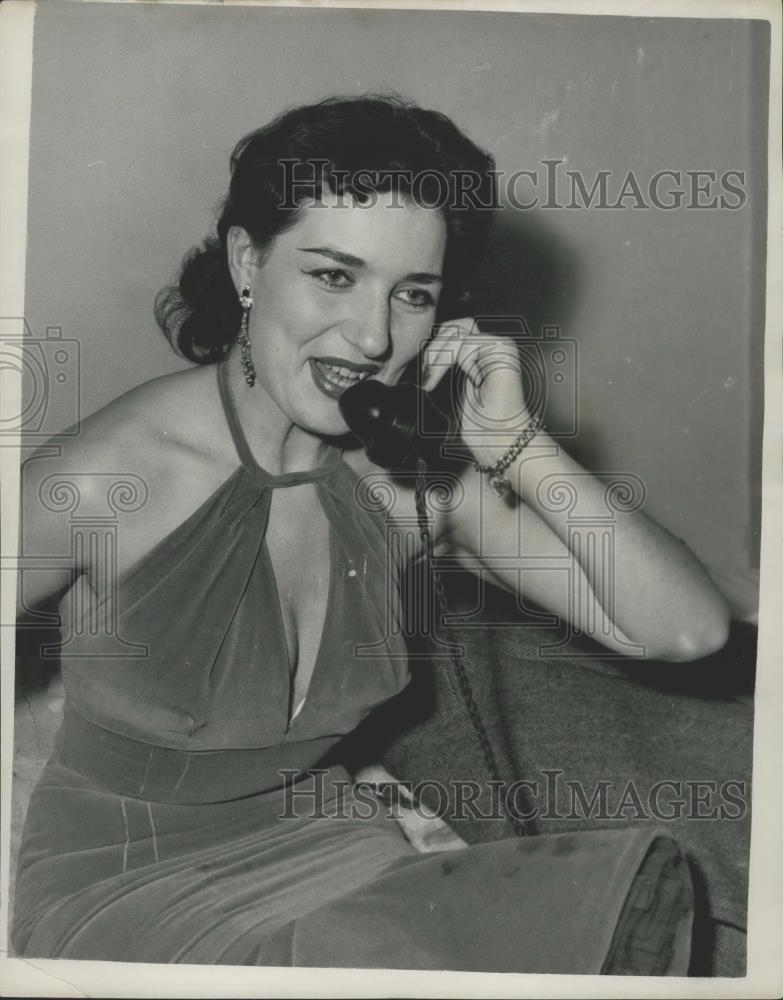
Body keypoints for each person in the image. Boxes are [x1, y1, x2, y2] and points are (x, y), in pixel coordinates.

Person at [12, 95, 730, 973]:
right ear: (248, 262)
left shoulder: (405, 485)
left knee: (607, 917)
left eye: (413, 295)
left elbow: (684, 629)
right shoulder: (107, 479)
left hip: (332, 856)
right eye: (333, 275)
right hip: (124, 886)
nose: (373, 334)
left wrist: (516, 447)